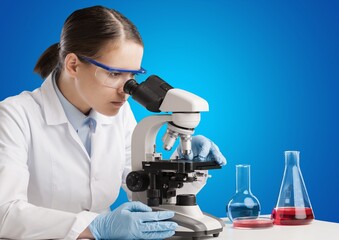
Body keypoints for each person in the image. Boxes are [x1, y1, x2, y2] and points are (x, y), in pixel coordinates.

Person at [0, 5, 226, 240]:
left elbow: (143, 192)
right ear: (73, 65)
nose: (126, 91)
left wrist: (183, 167)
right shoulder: (14, 116)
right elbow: (3, 214)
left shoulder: (119, 112)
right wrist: (97, 226)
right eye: (114, 74)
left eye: (132, 76)